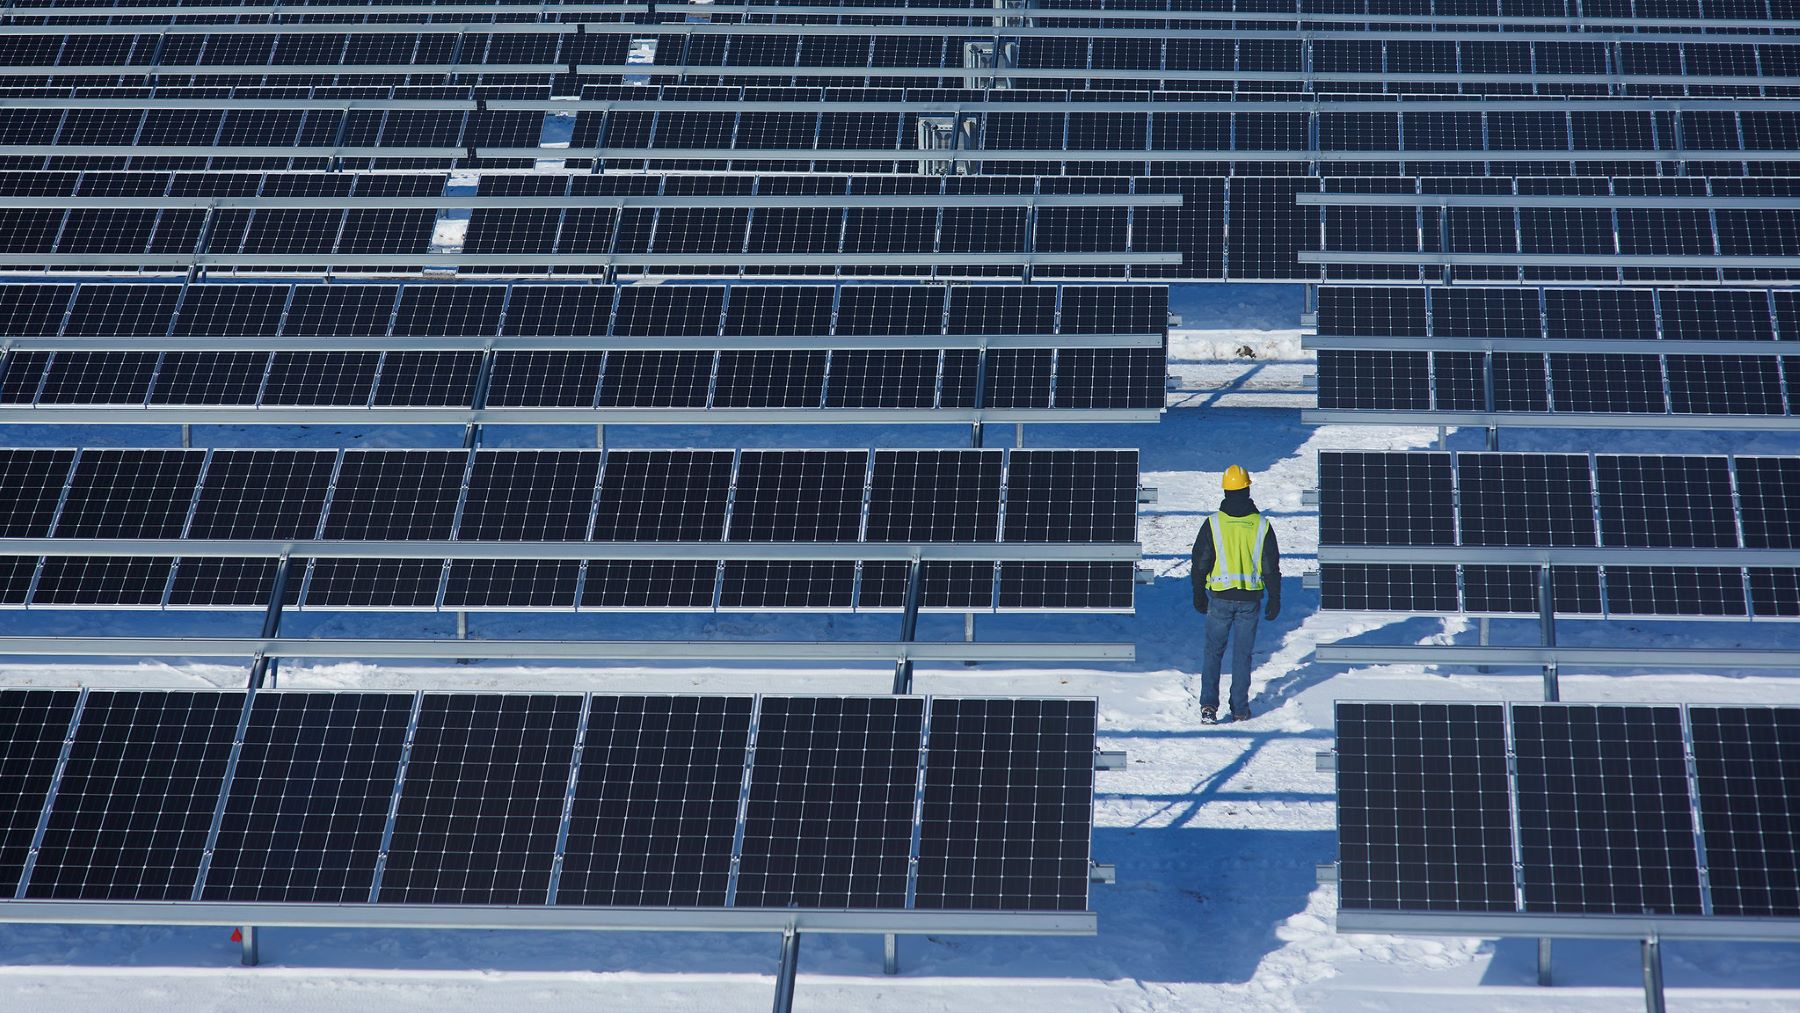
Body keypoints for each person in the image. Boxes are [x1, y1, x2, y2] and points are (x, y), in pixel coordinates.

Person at [1191, 464, 1281, 724]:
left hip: (1218, 598)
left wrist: (1198, 593)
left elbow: (1200, 563)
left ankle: (1208, 706)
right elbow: (1270, 567)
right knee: (1242, 656)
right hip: (1249, 601)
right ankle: (1240, 709)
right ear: (1248, 488)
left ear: (1225, 490)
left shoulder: (1213, 524)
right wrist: (1275, 598)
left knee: (1213, 653)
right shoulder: (1261, 525)